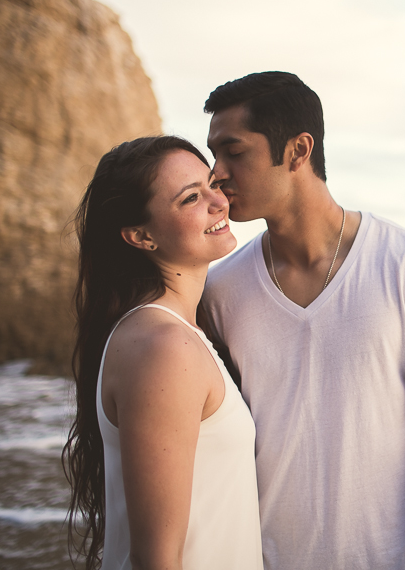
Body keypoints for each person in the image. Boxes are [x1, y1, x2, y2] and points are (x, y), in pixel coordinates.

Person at [200, 72, 405, 569]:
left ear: (298, 151)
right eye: (212, 154)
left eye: (233, 152)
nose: (215, 173)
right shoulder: (220, 289)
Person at [62, 136, 263, 570]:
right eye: (191, 197)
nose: (219, 201)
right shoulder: (165, 349)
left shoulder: (168, 332)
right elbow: (155, 560)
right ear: (141, 236)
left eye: (211, 183)